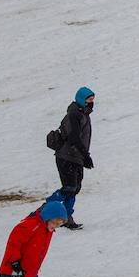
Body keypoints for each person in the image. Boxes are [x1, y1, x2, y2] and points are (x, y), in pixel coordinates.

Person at [54, 87, 96, 230]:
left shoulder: (82, 113)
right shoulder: (74, 114)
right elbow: (74, 139)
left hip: (75, 156)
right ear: (81, 99)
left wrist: (83, 156)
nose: (91, 102)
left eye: (92, 100)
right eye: (89, 100)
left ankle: (66, 216)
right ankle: (47, 207)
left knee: (75, 187)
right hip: (67, 156)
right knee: (69, 187)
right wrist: (86, 156)